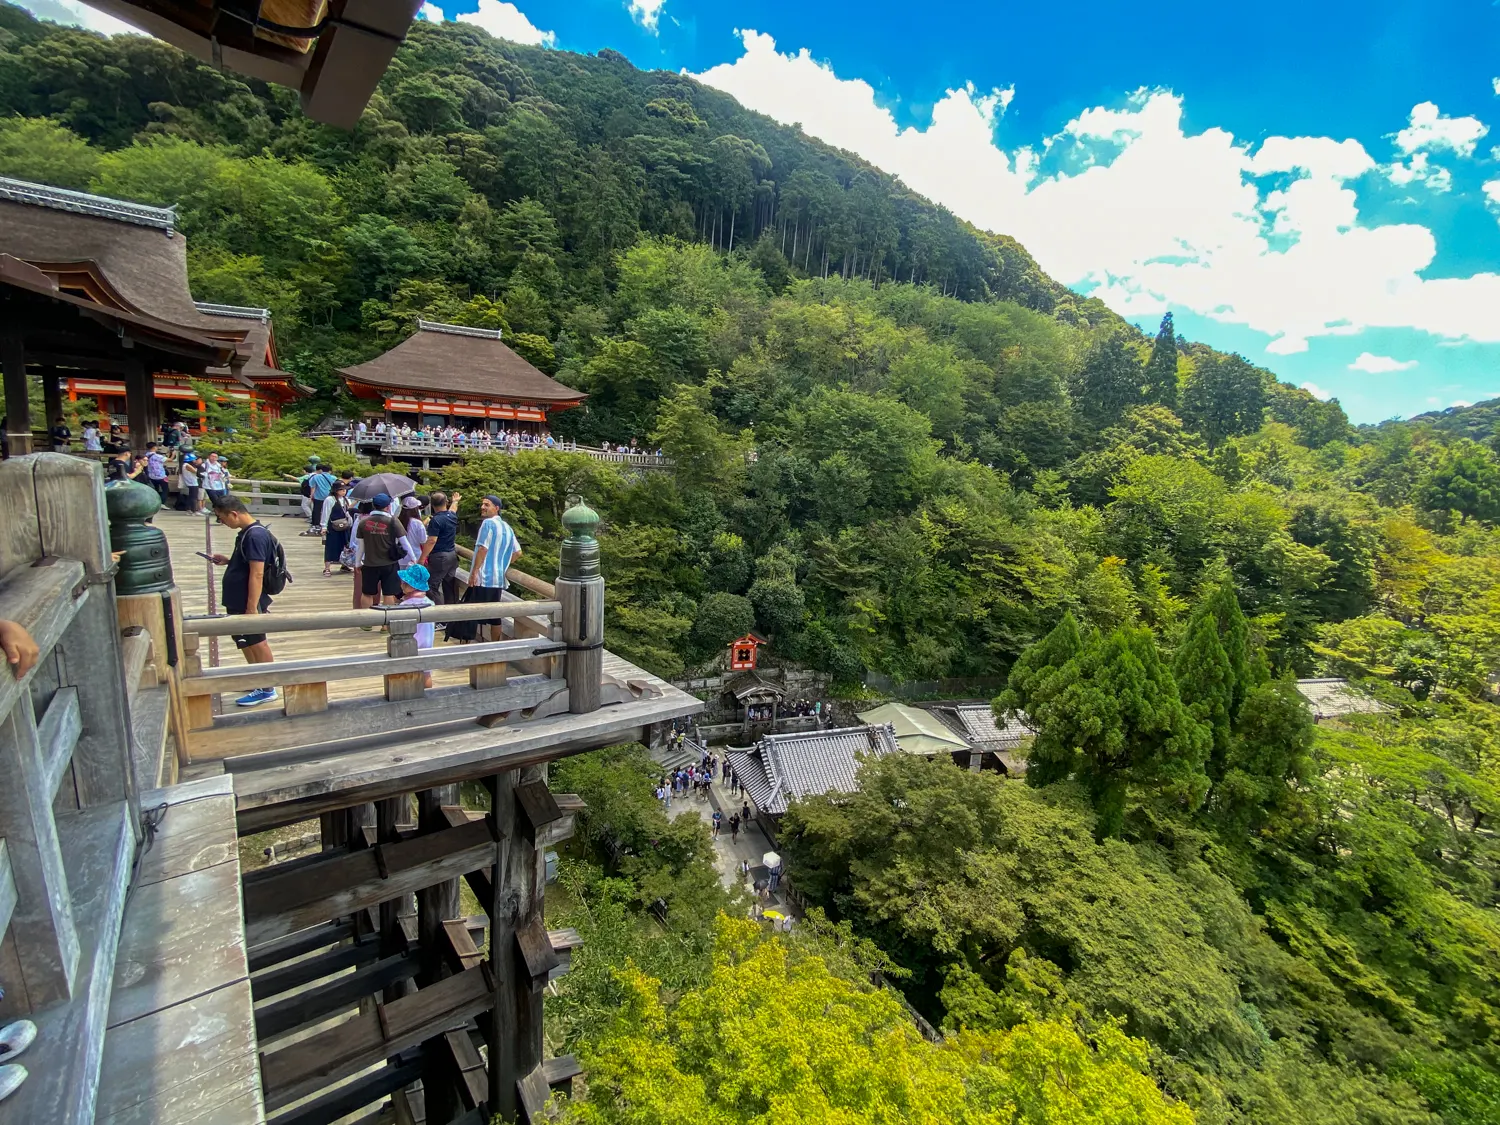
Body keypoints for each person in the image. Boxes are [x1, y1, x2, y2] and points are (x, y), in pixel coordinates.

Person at [208, 496, 279, 707]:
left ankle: (267, 687)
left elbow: (257, 574)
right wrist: (229, 561)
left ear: (234, 514)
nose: (223, 523)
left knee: (257, 640)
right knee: (244, 640)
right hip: (237, 596)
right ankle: (256, 678)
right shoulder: (246, 533)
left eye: (222, 518)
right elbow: (248, 564)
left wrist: (251, 608)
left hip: (248, 600)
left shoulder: (255, 535)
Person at [466, 494, 521, 641]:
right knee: (495, 616)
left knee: (472, 613)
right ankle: (495, 645)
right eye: (482, 504)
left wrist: (474, 572)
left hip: (483, 576)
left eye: (487, 505)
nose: (482, 507)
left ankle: (469, 645)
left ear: (496, 508)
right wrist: (502, 563)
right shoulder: (507, 527)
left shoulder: (488, 524)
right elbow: (518, 552)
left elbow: (483, 548)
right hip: (497, 578)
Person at [356, 491, 404, 607]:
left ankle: (367, 622)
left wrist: (357, 563)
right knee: (388, 594)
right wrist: (414, 558)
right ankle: (386, 624)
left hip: (369, 563)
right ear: (388, 507)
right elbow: (404, 542)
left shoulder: (363, 522)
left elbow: (360, 546)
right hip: (389, 563)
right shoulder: (393, 521)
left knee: (367, 593)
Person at [396, 563, 435, 688]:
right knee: (426, 673)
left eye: (404, 583)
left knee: (407, 674)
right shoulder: (430, 603)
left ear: (412, 586)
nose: (401, 584)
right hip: (427, 643)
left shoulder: (404, 606)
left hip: (410, 645)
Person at [421, 491, 461, 605]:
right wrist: (455, 501)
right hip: (452, 556)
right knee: (449, 586)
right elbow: (453, 509)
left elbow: (432, 540)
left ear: (431, 505)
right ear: (446, 502)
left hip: (439, 557)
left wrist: (422, 558)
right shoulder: (451, 516)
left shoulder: (436, 520)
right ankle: (450, 618)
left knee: (430, 586)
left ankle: (439, 616)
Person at [321, 480, 354, 576]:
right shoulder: (330, 499)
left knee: (345, 546)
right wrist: (324, 526)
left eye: (345, 489)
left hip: (344, 526)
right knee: (331, 547)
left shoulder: (346, 499)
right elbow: (325, 513)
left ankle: (344, 565)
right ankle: (327, 568)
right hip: (333, 526)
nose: (344, 491)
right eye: (341, 490)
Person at [305, 462, 336, 535]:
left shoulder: (316, 477)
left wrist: (311, 496)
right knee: (328, 511)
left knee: (317, 511)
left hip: (318, 496)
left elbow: (312, 487)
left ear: (322, 470)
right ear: (330, 471)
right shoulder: (333, 478)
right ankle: (328, 524)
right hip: (330, 496)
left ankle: (316, 525)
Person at [398, 494, 427, 566]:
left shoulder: (397, 521)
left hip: (400, 557)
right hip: (415, 556)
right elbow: (423, 541)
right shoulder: (417, 523)